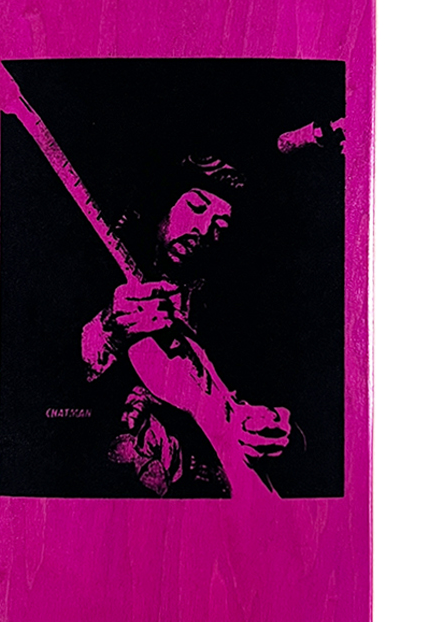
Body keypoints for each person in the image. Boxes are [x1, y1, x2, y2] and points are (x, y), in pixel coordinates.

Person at [79, 157, 292, 496]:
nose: (204, 230)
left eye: (220, 226)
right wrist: (107, 330)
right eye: (196, 207)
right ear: (163, 203)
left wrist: (279, 430)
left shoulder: (233, 315)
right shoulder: (92, 274)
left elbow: (294, 406)